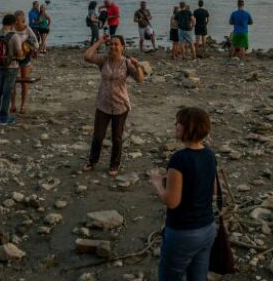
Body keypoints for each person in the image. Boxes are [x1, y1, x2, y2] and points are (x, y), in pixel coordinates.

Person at [149, 107, 218, 281]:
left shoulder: (179, 159)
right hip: (207, 228)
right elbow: (214, 190)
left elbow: (172, 201)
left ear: (188, 128)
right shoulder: (209, 155)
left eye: (178, 123)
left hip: (183, 233)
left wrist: (158, 183)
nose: (175, 126)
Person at [83, 34, 144, 176]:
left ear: (122, 47)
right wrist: (100, 41)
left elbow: (140, 79)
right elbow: (87, 56)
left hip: (120, 106)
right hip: (103, 104)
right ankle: (92, 161)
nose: (113, 46)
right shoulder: (103, 60)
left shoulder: (126, 63)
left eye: (116, 44)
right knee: (98, 136)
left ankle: (114, 165)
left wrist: (137, 65)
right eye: (111, 44)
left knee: (117, 137)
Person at [0, 12, 39, 125]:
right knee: (7, 92)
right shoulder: (14, 36)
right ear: (12, 24)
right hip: (11, 67)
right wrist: (19, 54)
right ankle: (4, 118)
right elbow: (20, 55)